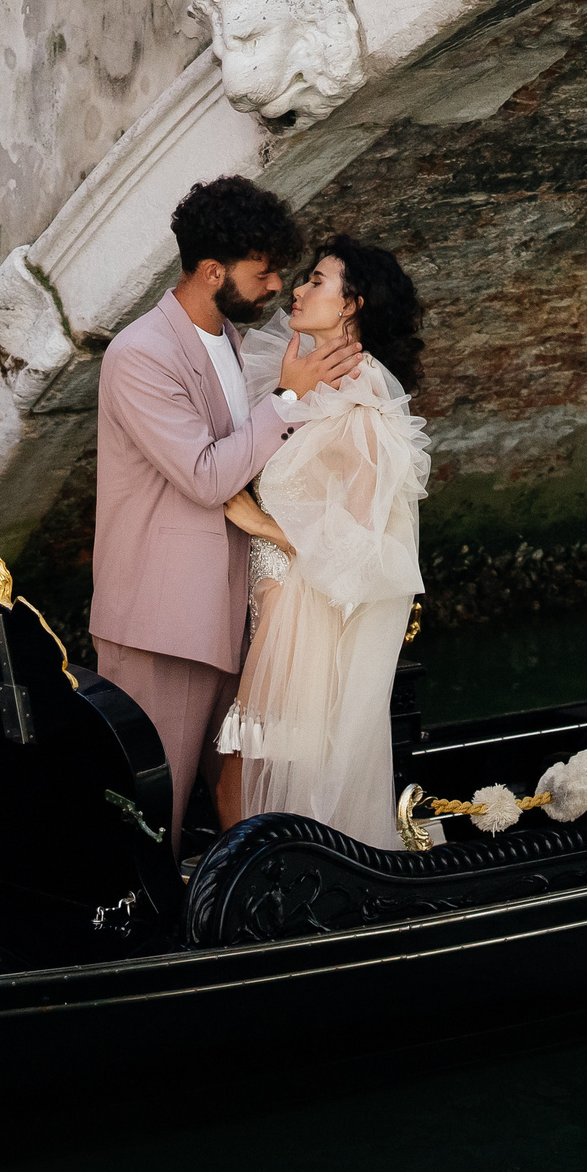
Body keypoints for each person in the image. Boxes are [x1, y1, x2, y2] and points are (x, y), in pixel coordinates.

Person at [91, 178, 364, 846]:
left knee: (231, 808)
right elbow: (208, 475)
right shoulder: (140, 355)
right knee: (154, 817)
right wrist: (289, 400)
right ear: (213, 271)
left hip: (226, 616)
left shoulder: (228, 340)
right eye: (261, 270)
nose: (275, 285)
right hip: (162, 627)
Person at [216, 237, 430, 848]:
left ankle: (261, 895)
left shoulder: (363, 398)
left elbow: (362, 539)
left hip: (302, 609)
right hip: (267, 596)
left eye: (317, 281)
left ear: (350, 306)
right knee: (245, 764)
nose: (298, 290)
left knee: (246, 762)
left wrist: (262, 524)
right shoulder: (298, 376)